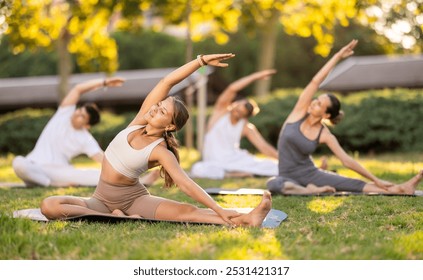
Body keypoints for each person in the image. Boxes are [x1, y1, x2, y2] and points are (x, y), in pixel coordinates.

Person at [40, 53, 272, 227]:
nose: (155, 109)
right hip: (100, 200)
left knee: (187, 211)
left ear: (170, 126)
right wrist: (199, 62)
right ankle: (113, 217)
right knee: (49, 205)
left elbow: (186, 184)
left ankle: (246, 219)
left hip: (134, 201)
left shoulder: (160, 150)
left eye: (162, 112)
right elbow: (166, 83)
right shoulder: (138, 121)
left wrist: (219, 209)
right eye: (159, 105)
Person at [267, 39, 423, 195]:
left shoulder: (324, 134)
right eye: (316, 100)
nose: (314, 103)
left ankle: (402, 188)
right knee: (274, 184)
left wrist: (376, 179)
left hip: (311, 174)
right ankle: (310, 191)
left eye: (319, 104)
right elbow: (316, 81)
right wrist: (337, 56)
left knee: (352, 184)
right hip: (286, 177)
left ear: (326, 114)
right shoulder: (298, 113)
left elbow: (346, 160)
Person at [12, 77, 159, 187]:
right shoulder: (63, 115)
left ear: (87, 125)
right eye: (79, 111)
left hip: (59, 171)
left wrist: (131, 167)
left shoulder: (85, 138)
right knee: (18, 162)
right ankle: (50, 184)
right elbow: (78, 89)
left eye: (82, 116)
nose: (76, 114)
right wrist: (104, 82)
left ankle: (139, 181)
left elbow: (104, 160)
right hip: (33, 166)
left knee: (92, 174)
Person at [190, 70, 279, 179]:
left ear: (244, 117)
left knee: (273, 166)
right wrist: (255, 77)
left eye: (239, 112)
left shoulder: (246, 127)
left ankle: (240, 172)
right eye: (236, 106)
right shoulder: (220, 112)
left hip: (235, 160)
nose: (234, 110)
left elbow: (263, 147)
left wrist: (285, 162)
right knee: (198, 169)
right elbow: (232, 88)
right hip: (214, 162)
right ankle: (235, 174)